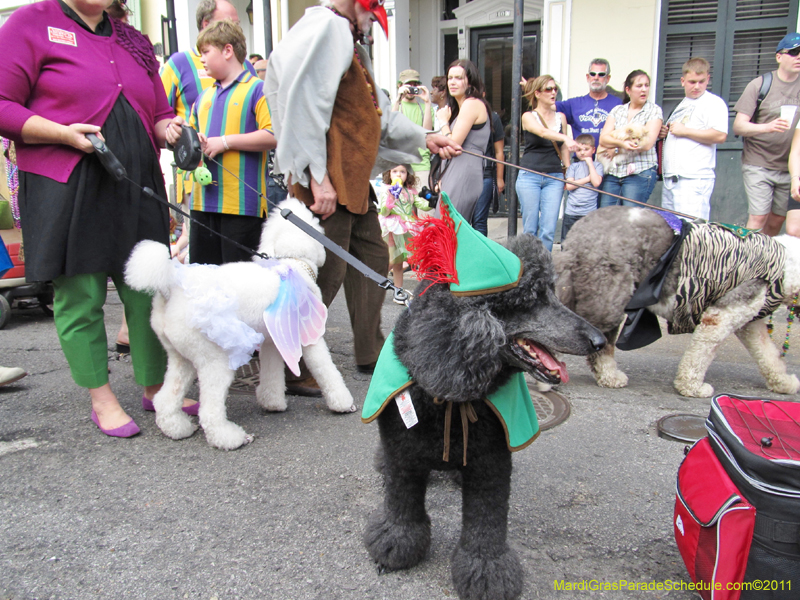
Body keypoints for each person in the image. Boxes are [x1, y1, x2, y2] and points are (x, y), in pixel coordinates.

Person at [0, 0, 199, 437]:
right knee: (82, 293)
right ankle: (101, 398)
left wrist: (169, 129)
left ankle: (155, 385)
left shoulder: (132, 39)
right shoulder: (30, 23)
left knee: (148, 289)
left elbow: (158, 112)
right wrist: (61, 132)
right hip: (68, 184)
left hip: (137, 181)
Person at [265, 0, 458, 385]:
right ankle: (292, 364)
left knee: (372, 256)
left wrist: (426, 137)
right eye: (372, 11)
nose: (373, 19)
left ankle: (370, 350)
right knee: (323, 273)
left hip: (352, 182)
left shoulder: (348, 41)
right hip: (328, 182)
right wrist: (317, 177)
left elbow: (378, 115)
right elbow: (303, 103)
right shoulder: (328, 27)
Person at [166, 19, 275, 266]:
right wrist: (179, 135)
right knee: (203, 278)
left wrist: (224, 142)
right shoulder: (203, 97)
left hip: (243, 206)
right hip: (202, 204)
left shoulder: (258, 89)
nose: (201, 59)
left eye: (206, 52)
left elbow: (273, 135)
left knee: (240, 282)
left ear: (227, 50)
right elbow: (191, 143)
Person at [733, 33, 800, 235]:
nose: (799, 57)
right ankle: (746, 253)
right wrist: (767, 127)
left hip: (789, 166)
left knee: (777, 219)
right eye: (794, 52)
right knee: (758, 217)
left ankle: (765, 253)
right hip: (758, 162)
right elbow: (738, 126)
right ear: (779, 56)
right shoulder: (760, 85)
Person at [660, 57, 728, 221]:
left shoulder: (713, 103)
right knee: (669, 229)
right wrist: (665, 133)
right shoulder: (681, 104)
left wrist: (685, 131)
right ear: (683, 81)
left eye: (701, 81)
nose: (697, 86)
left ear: (708, 79)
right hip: (671, 178)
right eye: (692, 82)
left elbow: (720, 135)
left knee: (691, 229)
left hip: (694, 178)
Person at [516, 75, 576, 251]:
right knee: (530, 229)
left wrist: (568, 171)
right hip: (530, 175)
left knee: (548, 230)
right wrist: (565, 137)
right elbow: (541, 132)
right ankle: (529, 264)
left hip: (554, 176)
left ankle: (545, 265)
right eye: (548, 89)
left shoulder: (560, 117)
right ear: (538, 93)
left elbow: (563, 148)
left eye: (555, 89)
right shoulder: (528, 116)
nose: (553, 92)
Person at [598, 70, 663, 208]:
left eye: (646, 85)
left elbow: (646, 144)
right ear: (628, 90)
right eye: (639, 86)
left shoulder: (654, 110)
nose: (644, 89)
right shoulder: (617, 110)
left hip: (640, 171)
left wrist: (615, 145)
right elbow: (603, 139)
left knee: (631, 215)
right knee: (607, 214)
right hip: (614, 172)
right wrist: (622, 144)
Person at [436, 59, 490, 224]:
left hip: (464, 171)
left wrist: (443, 122)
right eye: (450, 78)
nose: (452, 82)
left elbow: (453, 143)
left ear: (470, 81)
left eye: (458, 78)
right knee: (446, 225)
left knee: (448, 225)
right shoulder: (461, 108)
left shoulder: (471, 104)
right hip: (457, 170)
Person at [377, 164, 429, 297]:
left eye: (403, 172)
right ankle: (373, 289)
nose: (399, 174)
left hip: (406, 227)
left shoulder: (410, 191)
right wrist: (392, 197)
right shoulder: (387, 190)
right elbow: (384, 211)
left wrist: (432, 200)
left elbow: (422, 205)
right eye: (394, 171)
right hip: (392, 227)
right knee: (391, 260)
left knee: (399, 263)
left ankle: (398, 291)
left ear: (408, 174)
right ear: (389, 174)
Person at [556, 58, 622, 148]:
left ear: (608, 78)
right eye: (593, 74)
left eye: (601, 75)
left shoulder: (618, 104)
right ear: (588, 77)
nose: (596, 78)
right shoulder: (574, 104)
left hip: (607, 155)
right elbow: (545, 107)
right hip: (580, 155)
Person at [392, 69, 434, 188]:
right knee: (399, 199)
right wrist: (398, 98)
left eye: (415, 85)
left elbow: (427, 133)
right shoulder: (395, 106)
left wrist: (427, 102)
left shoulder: (425, 107)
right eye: (408, 85)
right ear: (400, 86)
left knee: (423, 199)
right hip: (399, 166)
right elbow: (391, 128)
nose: (411, 88)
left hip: (421, 164)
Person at [562, 134, 604, 239]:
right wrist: (587, 179)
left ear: (593, 150)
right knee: (568, 240)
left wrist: (590, 164)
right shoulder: (573, 166)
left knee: (588, 240)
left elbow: (596, 182)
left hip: (589, 212)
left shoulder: (597, 166)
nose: (582, 152)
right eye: (579, 150)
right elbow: (569, 186)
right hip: (571, 212)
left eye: (586, 149)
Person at [473, 109, 505, 236]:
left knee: (479, 220)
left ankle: (479, 249)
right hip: (463, 173)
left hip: (485, 173)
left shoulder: (492, 117)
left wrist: (499, 178)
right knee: (462, 219)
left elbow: (499, 152)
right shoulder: (458, 113)